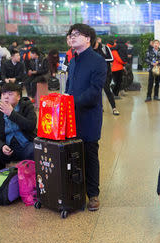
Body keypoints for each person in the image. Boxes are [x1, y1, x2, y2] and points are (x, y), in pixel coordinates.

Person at [65, 23, 107, 211]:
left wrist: (71, 102)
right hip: (71, 117)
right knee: (73, 154)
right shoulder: (73, 60)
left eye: (77, 34)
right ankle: (75, 189)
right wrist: (64, 102)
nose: (72, 37)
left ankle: (93, 194)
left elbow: (94, 91)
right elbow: (68, 87)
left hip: (89, 116)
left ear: (88, 38)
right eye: (71, 34)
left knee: (90, 154)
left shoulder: (97, 61)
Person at [0, 83, 36, 174]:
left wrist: (11, 114)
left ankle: (31, 177)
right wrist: (1, 146)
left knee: (36, 151)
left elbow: (31, 126)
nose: (6, 97)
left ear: (18, 97)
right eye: (3, 94)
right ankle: (5, 176)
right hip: (8, 149)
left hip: (26, 145)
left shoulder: (27, 107)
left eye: (10, 94)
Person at [94, 37, 119, 115]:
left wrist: (100, 60)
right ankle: (100, 107)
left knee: (107, 90)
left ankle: (114, 108)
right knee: (97, 91)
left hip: (106, 73)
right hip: (95, 74)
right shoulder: (90, 49)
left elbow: (111, 59)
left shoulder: (105, 48)